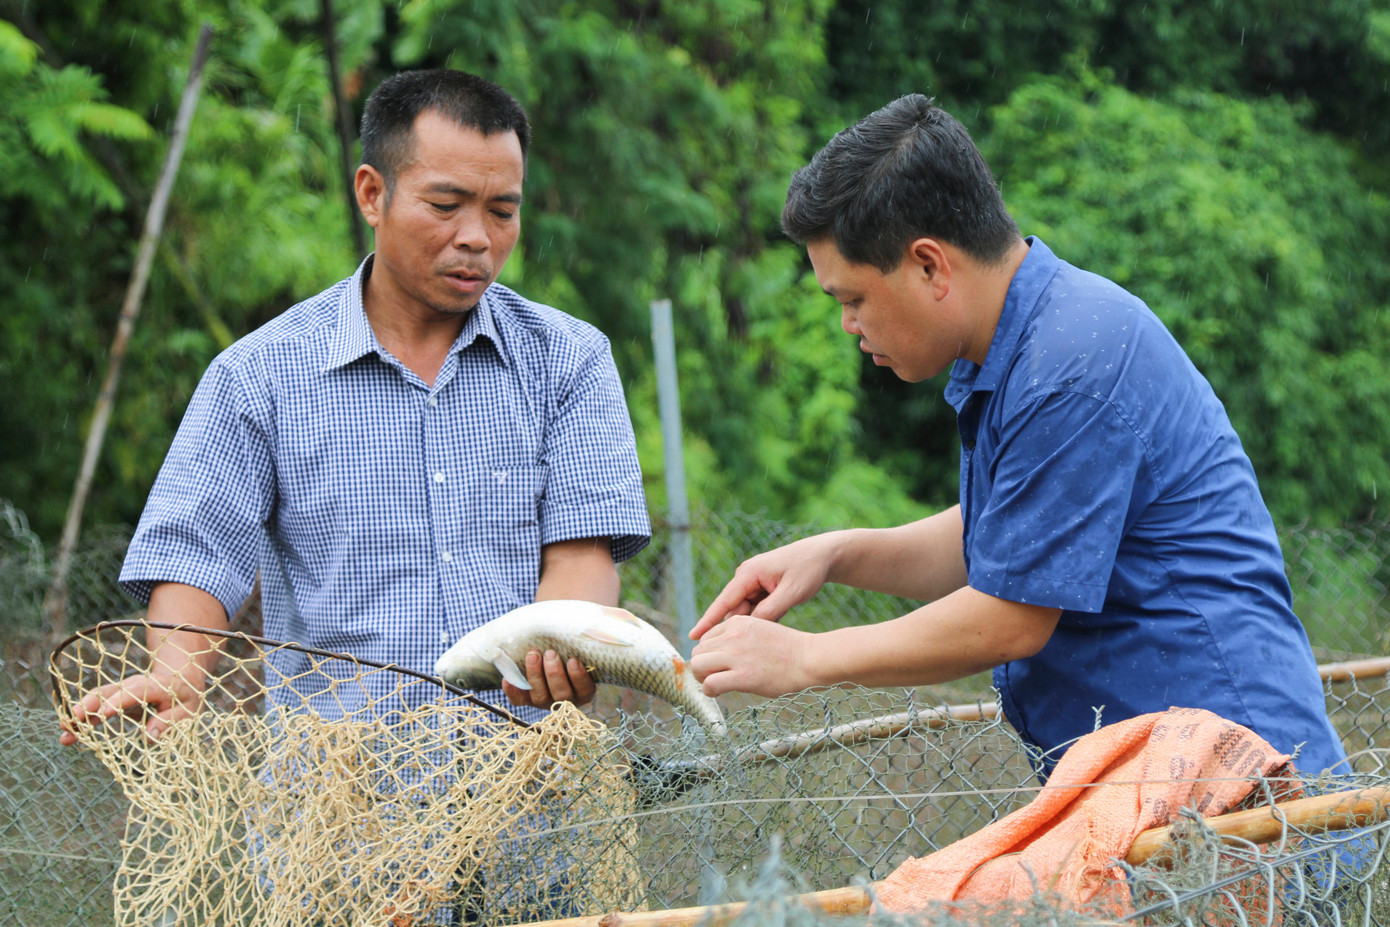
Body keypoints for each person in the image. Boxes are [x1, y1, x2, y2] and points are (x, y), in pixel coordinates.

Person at [689, 93, 1347, 778]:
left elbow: (1011, 616)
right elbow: (1010, 541)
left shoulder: (1070, 360)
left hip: (1256, 799)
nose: (850, 325)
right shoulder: (1020, 346)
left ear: (929, 265)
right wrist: (837, 554)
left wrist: (806, 657)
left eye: (852, 299)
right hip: (1166, 791)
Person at [60, 68, 651, 744]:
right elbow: (197, 549)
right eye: (446, 203)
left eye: (502, 210)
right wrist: (176, 675)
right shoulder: (262, 374)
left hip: (532, 812)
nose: (477, 237)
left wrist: (559, 641)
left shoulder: (567, 359)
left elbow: (582, 552)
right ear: (373, 194)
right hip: (338, 818)